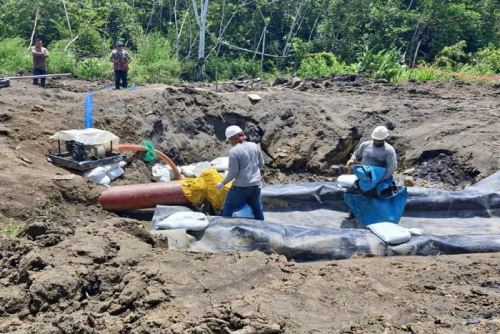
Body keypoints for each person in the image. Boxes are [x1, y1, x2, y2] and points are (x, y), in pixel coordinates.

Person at [216, 125, 265, 220]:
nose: (230, 142)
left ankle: (224, 229)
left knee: (228, 208)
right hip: (256, 185)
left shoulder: (234, 151)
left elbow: (233, 172)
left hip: (241, 187)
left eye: (230, 140)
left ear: (234, 138)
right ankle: (262, 228)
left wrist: (222, 183)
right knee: (257, 208)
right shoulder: (255, 146)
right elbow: (261, 164)